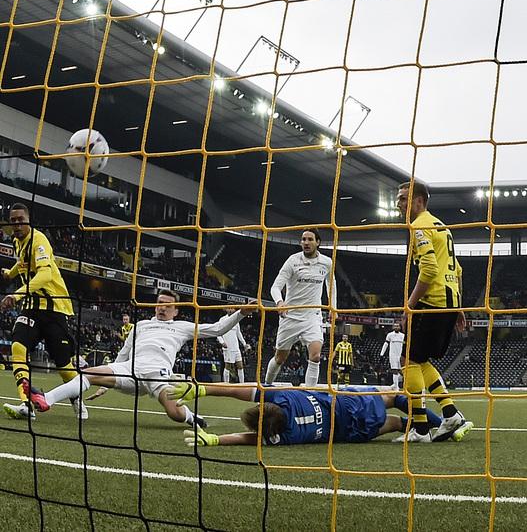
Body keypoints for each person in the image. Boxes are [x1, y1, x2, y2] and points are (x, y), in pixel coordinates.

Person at [20, 289, 253, 429]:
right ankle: (46, 399)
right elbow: (123, 355)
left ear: (176, 310)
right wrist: (105, 386)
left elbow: (218, 329)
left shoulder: (182, 327)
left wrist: (242, 312)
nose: (162, 308)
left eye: (167, 305)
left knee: (174, 413)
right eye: (159, 303)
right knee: (88, 373)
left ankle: (193, 418)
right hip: (129, 370)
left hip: (157, 375)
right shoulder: (140, 325)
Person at [396, 180, 472, 442]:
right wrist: (458, 307)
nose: (399, 204)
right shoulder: (442, 226)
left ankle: (420, 428)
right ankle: (446, 415)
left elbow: (428, 270)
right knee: (419, 360)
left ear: (419, 201)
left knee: (409, 361)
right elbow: (457, 270)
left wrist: (409, 306)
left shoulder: (419, 226)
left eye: (404, 199)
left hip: (433, 302)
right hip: (449, 302)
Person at [170, 382, 471, 447]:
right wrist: (205, 389)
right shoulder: (284, 397)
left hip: (351, 433)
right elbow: (243, 390)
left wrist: (216, 440)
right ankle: (446, 423)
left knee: (393, 424)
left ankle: (430, 432)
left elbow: (250, 439)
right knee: (396, 398)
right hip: (351, 405)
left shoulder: (284, 437)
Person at [1, 203, 88, 420]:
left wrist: (17, 294)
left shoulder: (39, 240)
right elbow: (22, 263)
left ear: (29, 220)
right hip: (31, 308)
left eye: (21, 220)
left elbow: (45, 276)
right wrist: (9, 275)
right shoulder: (16, 241)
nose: (17, 224)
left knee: (63, 365)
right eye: (13, 221)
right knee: (18, 348)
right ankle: (26, 404)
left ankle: (76, 396)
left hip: (54, 308)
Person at [265, 229, 338, 387]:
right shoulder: (292, 261)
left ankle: (310, 395)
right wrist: (279, 302)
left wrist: (333, 308)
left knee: (316, 356)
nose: (306, 242)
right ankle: (266, 386)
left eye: (310, 239)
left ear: (317, 242)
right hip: (290, 316)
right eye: (303, 239)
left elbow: (331, 286)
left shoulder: (327, 262)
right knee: (280, 358)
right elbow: (275, 287)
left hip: (313, 316)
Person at [218, 315, 249, 384]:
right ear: (226, 309)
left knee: (240, 366)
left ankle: (242, 384)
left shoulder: (236, 319)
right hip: (228, 347)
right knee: (227, 366)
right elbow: (218, 331)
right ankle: (226, 384)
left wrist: (244, 344)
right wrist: (222, 342)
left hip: (236, 347)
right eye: (229, 308)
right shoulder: (223, 319)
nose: (231, 310)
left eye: (232, 308)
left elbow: (239, 333)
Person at [380, 323, 405, 390]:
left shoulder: (403, 336)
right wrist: (381, 354)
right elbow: (386, 344)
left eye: (398, 326)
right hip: (393, 355)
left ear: (400, 327)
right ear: (393, 327)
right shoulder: (390, 335)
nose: (396, 327)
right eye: (395, 326)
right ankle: (396, 387)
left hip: (401, 355)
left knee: (402, 371)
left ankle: (403, 385)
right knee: (394, 370)